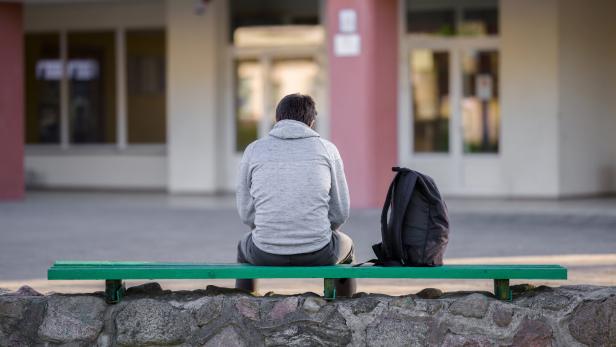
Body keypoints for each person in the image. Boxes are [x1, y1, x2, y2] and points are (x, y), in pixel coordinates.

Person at [235, 93, 356, 296]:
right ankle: (345, 309)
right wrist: (318, 230)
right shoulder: (327, 150)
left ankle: (247, 309)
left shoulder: (254, 150)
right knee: (348, 246)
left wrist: (271, 229)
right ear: (311, 121)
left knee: (242, 246)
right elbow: (340, 212)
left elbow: (246, 213)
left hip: (264, 252)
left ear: (277, 119)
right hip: (319, 252)